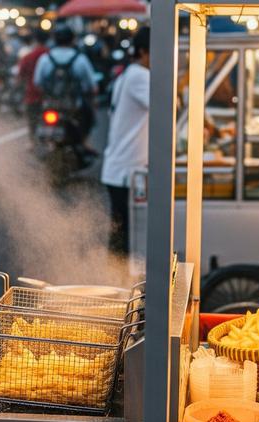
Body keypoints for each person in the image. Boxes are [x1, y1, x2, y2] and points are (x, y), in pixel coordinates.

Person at [100, 27, 149, 256]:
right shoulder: (140, 75)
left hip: (119, 166)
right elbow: (169, 104)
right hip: (126, 169)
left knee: (121, 235)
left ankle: (116, 283)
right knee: (124, 238)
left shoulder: (129, 73)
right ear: (142, 52)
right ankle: (118, 286)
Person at [34, 25, 97, 155]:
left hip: (50, 104)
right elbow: (92, 86)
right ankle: (85, 142)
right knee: (89, 115)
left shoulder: (45, 59)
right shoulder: (80, 59)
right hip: (74, 106)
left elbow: (37, 83)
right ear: (72, 40)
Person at [16, 28, 48, 139]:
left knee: (32, 120)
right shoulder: (51, 55)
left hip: (32, 96)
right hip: (51, 97)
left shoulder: (29, 56)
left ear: (35, 40)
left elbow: (20, 75)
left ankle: (32, 141)